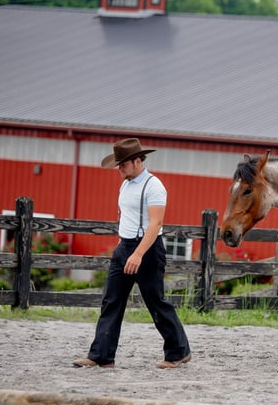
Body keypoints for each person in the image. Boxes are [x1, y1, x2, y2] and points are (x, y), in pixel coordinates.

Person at [73, 138, 191, 369]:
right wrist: (122, 248)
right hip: (124, 247)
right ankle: (101, 356)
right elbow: (126, 217)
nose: (120, 168)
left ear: (138, 161)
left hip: (146, 249)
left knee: (155, 301)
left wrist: (137, 254)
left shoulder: (154, 185)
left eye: (123, 164)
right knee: (111, 301)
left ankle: (178, 351)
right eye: (118, 164)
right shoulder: (125, 184)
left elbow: (155, 224)